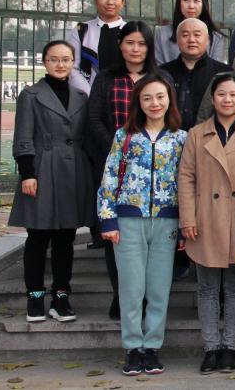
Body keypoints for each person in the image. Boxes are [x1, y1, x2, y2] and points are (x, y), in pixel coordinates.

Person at [97, 73, 188, 376]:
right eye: (147, 97)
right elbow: (110, 176)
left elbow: (188, 183)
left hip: (167, 220)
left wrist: (186, 223)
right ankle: (132, 347)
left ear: (169, 100)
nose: (154, 103)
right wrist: (108, 218)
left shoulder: (181, 138)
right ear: (138, 102)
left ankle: (152, 347)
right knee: (131, 288)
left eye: (160, 96)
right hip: (128, 220)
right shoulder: (125, 136)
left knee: (159, 287)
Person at [178, 73, 235, 374]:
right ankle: (211, 347)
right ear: (213, 99)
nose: (228, 100)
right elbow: (186, 178)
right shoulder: (196, 134)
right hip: (205, 220)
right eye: (222, 94)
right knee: (207, 289)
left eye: (233, 95)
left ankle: (230, 347)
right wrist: (187, 218)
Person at [10, 40, 92, 324]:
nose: (60, 64)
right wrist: (28, 173)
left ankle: (61, 296)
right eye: (54, 59)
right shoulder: (31, 95)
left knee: (65, 238)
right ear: (45, 62)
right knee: (37, 236)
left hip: (73, 172)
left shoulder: (81, 96)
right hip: (42, 170)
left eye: (66, 59)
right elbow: (23, 136)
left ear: (73, 62)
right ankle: (34, 297)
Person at [87, 20, 161, 319]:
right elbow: (94, 119)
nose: (135, 49)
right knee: (116, 233)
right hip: (115, 167)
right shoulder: (106, 78)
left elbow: (171, 119)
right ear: (120, 45)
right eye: (130, 42)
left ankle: (145, 299)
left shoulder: (160, 77)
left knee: (149, 239)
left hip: (154, 170)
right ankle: (121, 295)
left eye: (142, 43)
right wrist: (120, 149)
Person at [159, 18, 230, 130]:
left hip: (212, 136)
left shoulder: (224, 73)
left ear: (207, 40)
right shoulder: (162, 73)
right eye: (185, 35)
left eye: (197, 35)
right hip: (170, 136)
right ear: (177, 39)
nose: (191, 40)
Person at [68, 0, 127, 94]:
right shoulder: (81, 30)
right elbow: (72, 68)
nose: (110, 2)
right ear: (95, 0)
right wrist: (91, 95)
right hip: (87, 96)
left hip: (124, 95)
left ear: (123, 2)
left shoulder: (130, 31)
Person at [154, 0, 228, 65]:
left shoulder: (217, 38)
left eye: (196, 1)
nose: (191, 6)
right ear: (179, 3)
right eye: (186, 0)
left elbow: (217, 68)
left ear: (203, 4)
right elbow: (158, 67)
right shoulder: (162, 33)